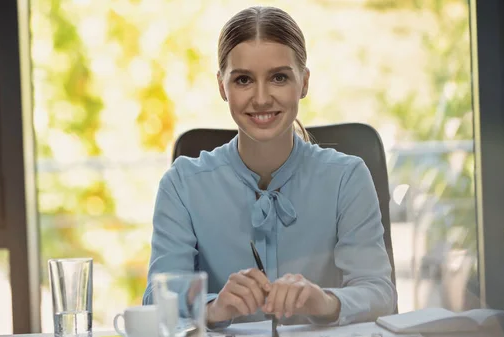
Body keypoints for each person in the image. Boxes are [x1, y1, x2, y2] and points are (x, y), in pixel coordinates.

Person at [142, 5, 397, 329]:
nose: (261, 98)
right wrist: (214, 307)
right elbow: (157, 297)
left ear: (303, 82)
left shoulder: (347, 178)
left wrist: (326, 301)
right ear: (222, 86)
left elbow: (379, 292)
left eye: (279, 77)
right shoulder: (181, 185)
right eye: (244, 80)